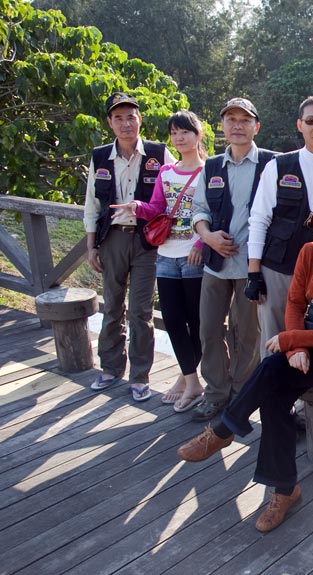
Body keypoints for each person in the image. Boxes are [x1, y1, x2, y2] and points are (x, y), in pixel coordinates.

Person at [176, 184, 313, 533]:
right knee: (274, 394)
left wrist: (290, 339)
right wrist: (297, 348)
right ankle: (284, 490)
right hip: (310, 343)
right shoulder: (309, 253)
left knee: (271, 367)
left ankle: (225, 431)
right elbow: (295, 303)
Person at [110, 110, 209, 412]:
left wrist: (201, 243)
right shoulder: (166, 171)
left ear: (198, 135)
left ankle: (186, 380)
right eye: (174, 133)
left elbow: (215, 213)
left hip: (193, 256)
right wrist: (137, 207)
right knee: (174, 322)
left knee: (197, 323)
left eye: (185, 132)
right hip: (166, 255)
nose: (179, 138)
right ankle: (191, 380)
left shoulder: (209, 171)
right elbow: (157, 207)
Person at [190, 98, 277, 422]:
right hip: (216, 263)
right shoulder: (212, 166)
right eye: (231, 120)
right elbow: (198, 210)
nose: (238, 126)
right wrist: (207, 236)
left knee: (248, 335)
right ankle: (215, 393)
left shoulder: (272, 163)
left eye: (245, 120)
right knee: (209, 329)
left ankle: (241, 396)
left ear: (256, 126)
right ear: (223, 126)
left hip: (254, 267)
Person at [84, 92, 174, 402]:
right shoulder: (100, 157)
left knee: (140, 311)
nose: (126, 124)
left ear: (140, 119)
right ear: (110, 122)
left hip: (147, 241)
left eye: (131, 117)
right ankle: (110, 368)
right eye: (119, 118)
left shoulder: (158, 153)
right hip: (112, 239)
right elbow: (92, 205)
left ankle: (140, 375)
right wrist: (91, 246)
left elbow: (177, 190)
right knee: (111, 306)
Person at [246, 96, 313, 359]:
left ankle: (306, 389)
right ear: (300, 125)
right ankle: (270, 387)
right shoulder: (278, 166)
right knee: (273, 343)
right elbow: (259, 220)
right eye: (311, 121)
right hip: (277, 269)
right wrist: (254, 272)